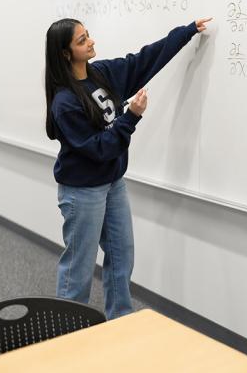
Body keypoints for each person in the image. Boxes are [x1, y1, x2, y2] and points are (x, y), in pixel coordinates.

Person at [44, 17, 212, 319]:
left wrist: (185, 33)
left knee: (121, 259)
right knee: (79, 267)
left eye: (88, 35)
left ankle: (120, 321)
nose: (91, 41)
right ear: (66, 54)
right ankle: (64, 332)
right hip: (83, 192)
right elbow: (100, 149)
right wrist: (131, 117)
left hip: (112, 183)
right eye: (82, 40)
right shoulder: (65, 102)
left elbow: (144, 60)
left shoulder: (103, 73)